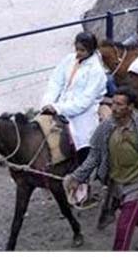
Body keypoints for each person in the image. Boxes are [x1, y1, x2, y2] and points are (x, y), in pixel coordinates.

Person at [65, 85, 138, 251]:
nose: (114, 108)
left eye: (120, 104)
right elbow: (94, 155)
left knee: (123, 229)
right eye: (113, 103)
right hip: (115, 183)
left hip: (136, 184)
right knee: (130, 214)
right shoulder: (106, 127)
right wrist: (77, 178)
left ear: (131, 107)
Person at [40, 31, 109, 164]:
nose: (78, 53)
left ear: (91, 50)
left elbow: (85, 101)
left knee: (82, 137)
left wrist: (59, 109)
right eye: (77, 49)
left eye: (82, 50)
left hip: (83, 111)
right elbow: (55, 82)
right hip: (60, 104)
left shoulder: (96, 71)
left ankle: (83, 172)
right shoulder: (68, 60)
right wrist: (48, 102)